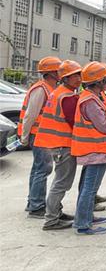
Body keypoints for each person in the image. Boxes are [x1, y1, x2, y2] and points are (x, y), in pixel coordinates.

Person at [71, 62, 106, 235]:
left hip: (94, 150)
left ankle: (85, 217)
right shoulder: (90, 101)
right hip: (95, 151)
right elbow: (104, 126)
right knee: (90, 188)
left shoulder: (91, 97)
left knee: (88, 186)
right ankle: (83, 224)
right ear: (99, 81)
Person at [36, 60, 82, 230]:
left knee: (59, 181)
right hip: (63, 145)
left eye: (79, 75)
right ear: (64, 78)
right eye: (74, 76)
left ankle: (56, 213)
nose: (78, 79)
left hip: (57, 144)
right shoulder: (67, 97)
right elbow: (74, 122)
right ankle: (51, 219)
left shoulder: (59, 92)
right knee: (61, 183)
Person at [20, 56, 61, 218]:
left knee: (38, 169)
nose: (61, 73)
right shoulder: (41, 89)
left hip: (43, 135)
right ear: (51, 73)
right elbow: (30, 115)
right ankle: (37, 207)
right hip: (39, 135)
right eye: (59, 71)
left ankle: (33, 202)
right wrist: (24, 136)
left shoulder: (49, 88)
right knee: (43, 169)